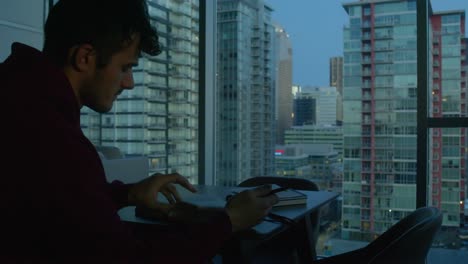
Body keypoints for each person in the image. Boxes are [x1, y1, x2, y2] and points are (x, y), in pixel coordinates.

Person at [0, 0, 278, 263]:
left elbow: (55, 202)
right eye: (125, 67)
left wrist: (127, 195)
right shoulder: (54, 138)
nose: (130, 83)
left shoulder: (20, 99)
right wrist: (230, 220)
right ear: (84, 58)